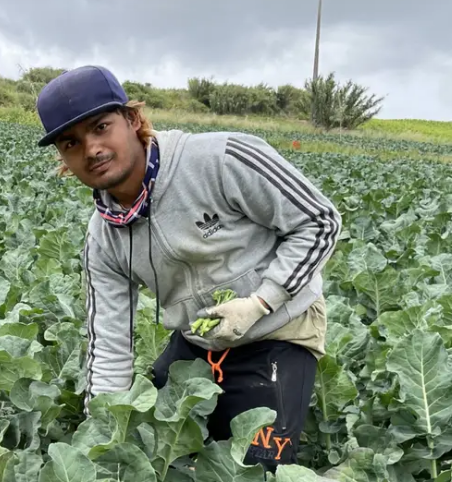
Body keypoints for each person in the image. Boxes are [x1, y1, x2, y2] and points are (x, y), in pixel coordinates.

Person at [34, 65, 341, 472]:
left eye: (102, 127)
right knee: (150, 449)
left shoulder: (222, 158)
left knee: (253, 469)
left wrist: (261, 303)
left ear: (132, 120)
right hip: (198, 342)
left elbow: (320, 222)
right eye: (72, 142)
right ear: (63, 158)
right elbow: (108, 342)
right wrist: (104, 438)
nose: (91, 149)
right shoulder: (104, 237)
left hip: (279, 331)